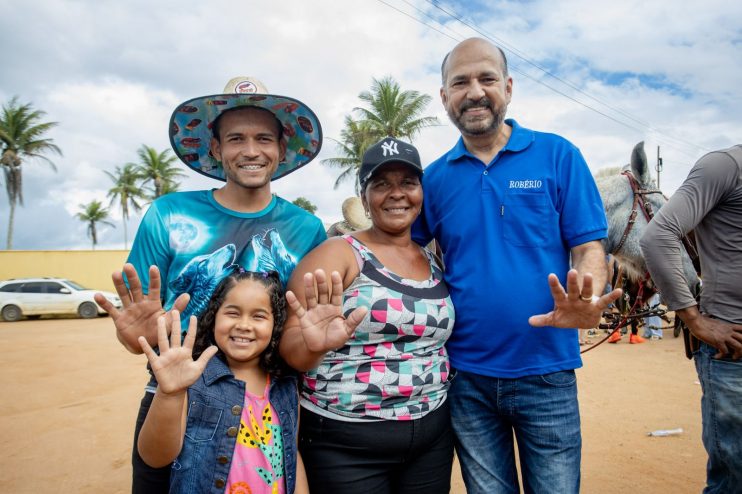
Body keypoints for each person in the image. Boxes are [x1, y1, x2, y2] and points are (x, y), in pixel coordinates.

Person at [94, 77, 326, 493]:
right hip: (175, 393)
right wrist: (137, 337)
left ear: (280, 149)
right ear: (217, 149)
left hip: (269, 401)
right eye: (236, 138)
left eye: (264, 138)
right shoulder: (168, 214)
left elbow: (299, 327)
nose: (251, 150)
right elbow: (142, 330)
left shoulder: (307, 228)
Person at [411, 37, 621, 493]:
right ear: (444, 96)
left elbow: (589, 246)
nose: (475, 91)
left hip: (546, 370)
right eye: (460, 82)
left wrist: (587, 294)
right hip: (466, 377)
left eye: (487, 78)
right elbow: (402, 253)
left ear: (508, 86)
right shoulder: (434, 179)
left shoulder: (558, 155)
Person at [279, 137, 456, 493]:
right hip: (347, 444)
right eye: (381, 184)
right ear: (364, 198)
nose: (396, 193)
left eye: (407, 183)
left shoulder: (434, 259)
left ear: (421, 194)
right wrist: (312, 345)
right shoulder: (337, 254)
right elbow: (292, 350)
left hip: (432, 438)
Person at [137, 270, 308, 493]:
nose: (244, 325)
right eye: (233, 313)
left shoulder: (286, 385)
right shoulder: (192, 380)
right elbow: (154, 457)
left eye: (258, 316)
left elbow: (291, 453)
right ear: (214, 316)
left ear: (275, 324)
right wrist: (170, 394)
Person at [640, 145, 742, 493]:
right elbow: (656, 235)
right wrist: (695, 321)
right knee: (734, 477)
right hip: (733, 353)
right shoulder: (725, 166)